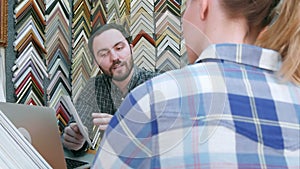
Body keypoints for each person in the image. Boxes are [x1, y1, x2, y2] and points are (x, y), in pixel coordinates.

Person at [92, 0, 300, 168]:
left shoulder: (151, 97)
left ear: (203, 5)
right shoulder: (294, 95)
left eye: (186, 5)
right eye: (104, 53)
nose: (114, 57)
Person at [62, 23, 159, 154]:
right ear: (97, 62)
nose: (114, 58)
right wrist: (75, 140)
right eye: (103, 54)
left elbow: (175, 137)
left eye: (119, 48)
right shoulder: (93, 87)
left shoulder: (159, 83)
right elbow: (77, 125)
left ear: (131, 48)